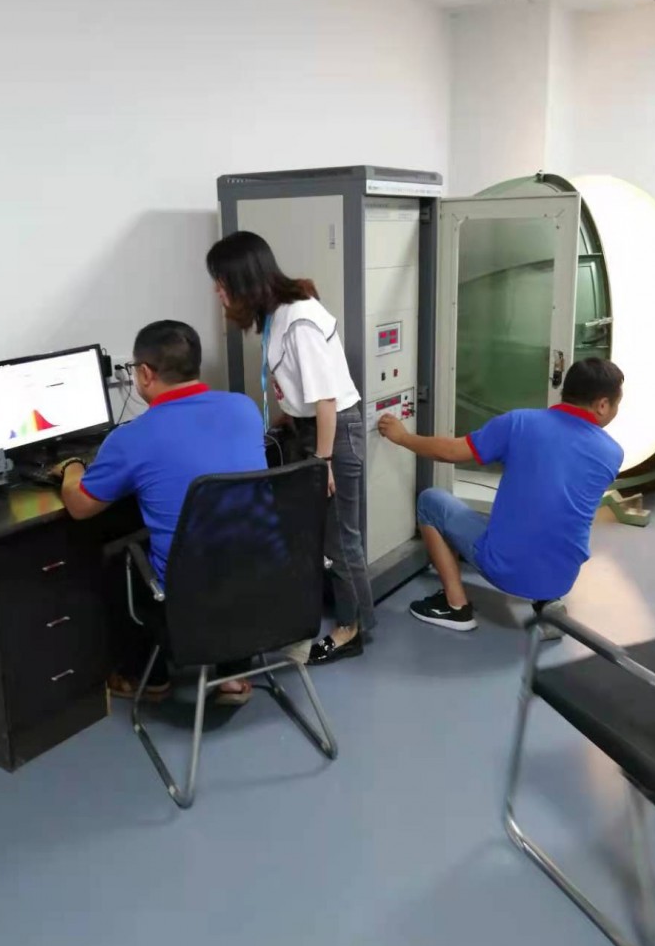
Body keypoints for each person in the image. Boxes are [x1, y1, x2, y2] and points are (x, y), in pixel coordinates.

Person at [53, 320, 267, 703]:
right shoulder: (244, 408)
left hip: (192, 598)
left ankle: (150, 680)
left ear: (146, 373)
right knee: (226, 538)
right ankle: (231, 676)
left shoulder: (131, 437)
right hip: (263, 578)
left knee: (119, 559)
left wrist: (71, 467)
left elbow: (80, 506)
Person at [206, 230, 374, 665]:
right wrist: (288, 415)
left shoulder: (299, 319)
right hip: (311, 427)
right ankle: (333, 611)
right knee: (318, 535)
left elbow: (326, 399)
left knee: (342, 539)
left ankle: (352, 629)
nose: (218, 292)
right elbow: (301, 386)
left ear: (242, 280)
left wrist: (323, 462)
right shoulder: (276, 314)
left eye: (221, 283)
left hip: (334, 433)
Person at [378, 358, 625, 633]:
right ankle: (546, 601)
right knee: (551, 521)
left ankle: (455, 607)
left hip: (505, 569)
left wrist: (402, 437)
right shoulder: (612, 454)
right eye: (618, 403)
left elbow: (449, 452)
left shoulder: (519, 423)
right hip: (563, 577)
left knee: (430, 501)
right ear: (602, 405)